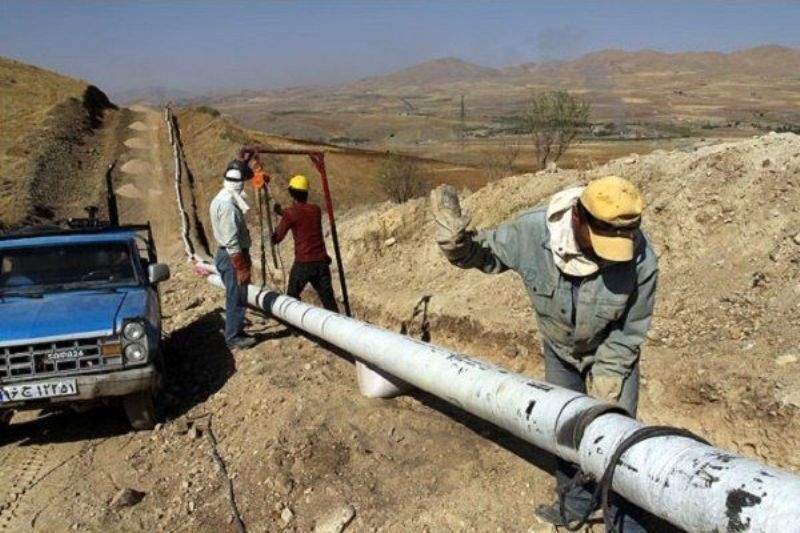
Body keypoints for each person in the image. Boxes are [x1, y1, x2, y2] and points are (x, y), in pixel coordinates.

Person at [430, 176, 658, 531]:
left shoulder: (640, 259)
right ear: (578, 218)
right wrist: (457, 247)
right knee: (562, 428)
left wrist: (609, 378)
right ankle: (575, 505)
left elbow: (630, 330)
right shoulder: (533, 233)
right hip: (560, 350)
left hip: (612, 353)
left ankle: (625, 524)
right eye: (600, 243)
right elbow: (486, 255)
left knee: (616, 441)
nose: (606, 254)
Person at [209, 149, 257, 349]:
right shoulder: (228, 207)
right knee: (236, 296)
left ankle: (236, 330)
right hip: (231, 257)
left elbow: (236, 173)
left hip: (226, 255)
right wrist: (241, 267)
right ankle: (234, 337)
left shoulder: (220, 198)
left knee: (236, 294)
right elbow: (231, 242)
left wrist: (241, 162)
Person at [271, 174, 339, 312]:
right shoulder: (316, 210)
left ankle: (294, 322)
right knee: (328, 301)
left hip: (304, 263)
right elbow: (301, 216)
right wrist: (282, 213)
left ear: (291, 193)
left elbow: (277, 237)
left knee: (291, 297)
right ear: (306, 192)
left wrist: (273, 234)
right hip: (321, 262)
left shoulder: (290, 214)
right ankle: (339, 323)